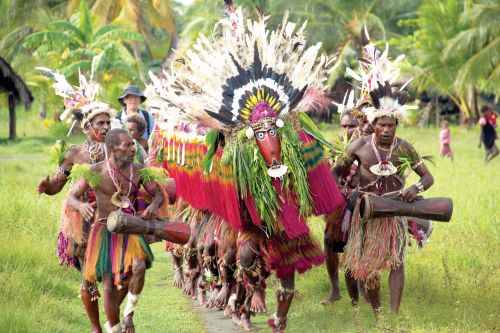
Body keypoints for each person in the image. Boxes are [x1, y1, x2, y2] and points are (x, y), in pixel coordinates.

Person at [336, 81, 434, 315]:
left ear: (396, 125)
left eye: (391, 125)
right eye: (382, 125)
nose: (387, 130)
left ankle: (394, 312)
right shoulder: (359, 146)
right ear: (374, 124)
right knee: (369, 265)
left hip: (394, 210)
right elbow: (337, 171)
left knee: (397, 261)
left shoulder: (404, 148)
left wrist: (416, 188)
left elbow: (428, 177)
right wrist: (337, 186)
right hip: (366, 211)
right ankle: (377, 312)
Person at [37, 68, 114, 333]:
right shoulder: (75, 153)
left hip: (113, 215)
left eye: (108, 123)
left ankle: (114, 319)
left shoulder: (119, 149)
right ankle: (96, 328)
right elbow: (59, 185)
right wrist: (48, 187)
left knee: (115, 276)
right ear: (88, 126)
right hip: (83, 220)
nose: (105, 127)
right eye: (100, 123)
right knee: (89, 276)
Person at [67, 129, 163, 333]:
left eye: (132, 144)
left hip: (131, 227)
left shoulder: (137, 169)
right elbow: (71, 197)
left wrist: (153, 206)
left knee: (138, 266)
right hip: (104, 230)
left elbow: (158, 194)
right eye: (127, 145)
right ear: (112, 148)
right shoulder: (95, 170)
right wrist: (81, 206)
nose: (132, 148)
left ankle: (128, 314)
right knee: (109, 284)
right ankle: (115, 328)